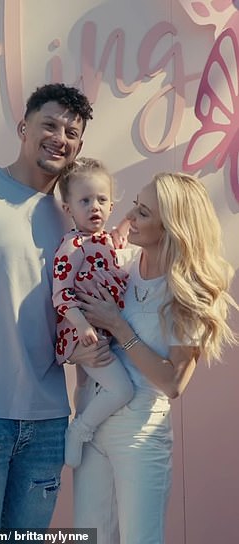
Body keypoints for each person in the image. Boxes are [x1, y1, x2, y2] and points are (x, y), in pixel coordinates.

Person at [0, 83, 111, 530]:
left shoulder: (73, 218)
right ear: (23, 127)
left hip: (49, 422)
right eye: (49, 124)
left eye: (71, 132)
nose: (60, 138)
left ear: (79, 146)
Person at [72, 172, 238, 544]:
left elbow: (173, 382)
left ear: (171, 228)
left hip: (139, 435)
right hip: (90, 423)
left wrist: (119, 327)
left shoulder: (188, 290)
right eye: (135, 205)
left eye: (143, 212)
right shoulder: (122, 264)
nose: (129, 216)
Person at [52, 157, 134, 468]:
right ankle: (80, 430)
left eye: (101, 200)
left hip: (101, 329)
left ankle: (82, 430)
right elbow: (60, 294)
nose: (94, 207)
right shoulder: (73, 246)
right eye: (85, 201)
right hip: (84, 333)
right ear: (68, 208)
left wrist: (125, 223)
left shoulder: (106, 241)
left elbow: (125, 225)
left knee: (85, 387)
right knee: (122, 389)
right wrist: (82, 325)